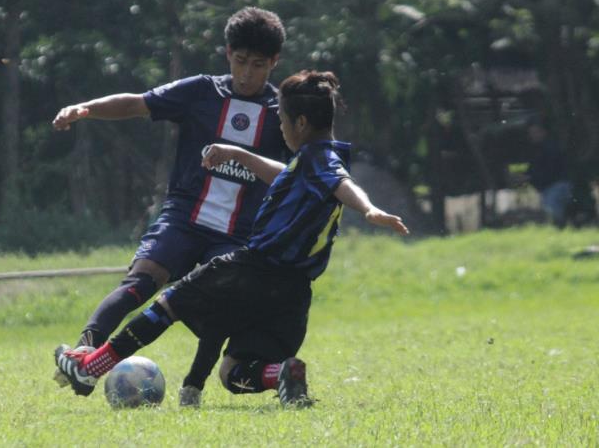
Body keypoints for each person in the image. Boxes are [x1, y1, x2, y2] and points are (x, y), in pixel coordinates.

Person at [54, 70, 409, 407]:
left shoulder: (323, 163)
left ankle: (89, 368)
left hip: (252, 268)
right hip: (293, 293)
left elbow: (342, 183)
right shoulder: (311, 160)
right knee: (233, 371)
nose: (281, 128)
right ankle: (280, 374)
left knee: (167, 306)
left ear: (301, 123)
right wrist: (237, 152)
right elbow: (286, 175)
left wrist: (369, 209)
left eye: (283, 121)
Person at [51, 7, 289, 401]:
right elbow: (138, 102)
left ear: (275, 62)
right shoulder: (201, 91)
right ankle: (85, 352)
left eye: (259, 65)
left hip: (238, 234)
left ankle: (193, 387)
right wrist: (88, 109)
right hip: (184, 217)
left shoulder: (281, 111)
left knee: (217, 311)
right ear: (228, 53)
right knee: (141, 282)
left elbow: (295, 171)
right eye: (240, 61)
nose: (247, 73)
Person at [526, 119, 572, 226]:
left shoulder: (549, 148)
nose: (533, 135)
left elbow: (549, 170)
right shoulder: (538, 149)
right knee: (554, 214)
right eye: (531, 133)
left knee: (553, 215)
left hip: (555, 186)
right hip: (551, 187)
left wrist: (531, 177)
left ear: (543, 132)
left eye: (535, 132)